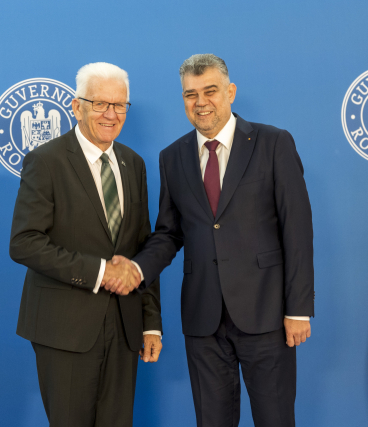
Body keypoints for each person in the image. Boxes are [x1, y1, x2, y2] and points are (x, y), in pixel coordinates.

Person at [114, 54, 314, 426]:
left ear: (230, 92)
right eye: (191, 94)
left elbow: (297, 229)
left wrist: (297, 308)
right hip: (203, 319)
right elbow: (170, 233)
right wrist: (138, 268)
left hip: (266, 314)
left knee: (275, 419)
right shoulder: (172, 157)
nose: (201, 102)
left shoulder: (273, 143)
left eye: (210, 91)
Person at [9, 62, 163, 427]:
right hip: (65, 329)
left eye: (120, 105)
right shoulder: (45, 161)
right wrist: (99, 272)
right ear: (77, 107)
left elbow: (143, 247)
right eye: (100, 104)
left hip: (125, 328)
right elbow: (24, 242)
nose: (111, 114)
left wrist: (150, 324)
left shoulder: (133, 163)